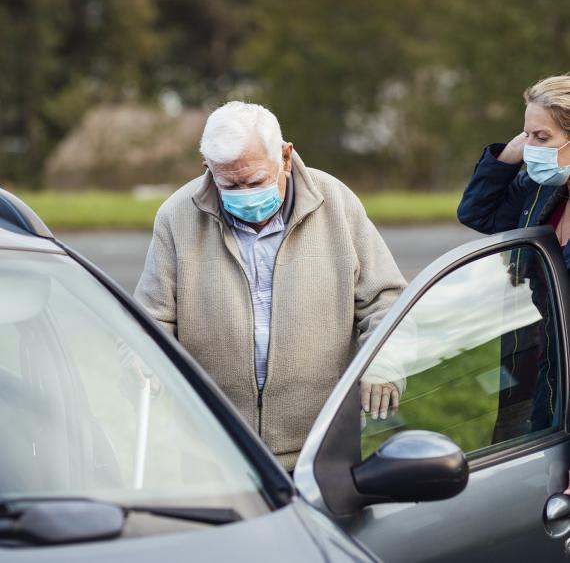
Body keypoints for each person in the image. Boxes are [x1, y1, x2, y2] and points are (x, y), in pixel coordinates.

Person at [134, 101, 407, 471]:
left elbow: (387, 300)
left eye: (255, 180)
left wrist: (383, 366)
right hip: (217, 450)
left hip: (322, 447)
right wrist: (141, 358)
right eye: (228, 183)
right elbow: (150, 321)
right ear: (208, 169)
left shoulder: (337, 203)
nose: (243, 193)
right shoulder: (175, 217)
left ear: (286, 156)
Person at [458, 74, 570, 442]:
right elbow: (478, 214)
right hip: (540, 368)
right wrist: (508, 157)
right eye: (527, 135)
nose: (531, 148)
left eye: (542, 138)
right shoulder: (542, 189)